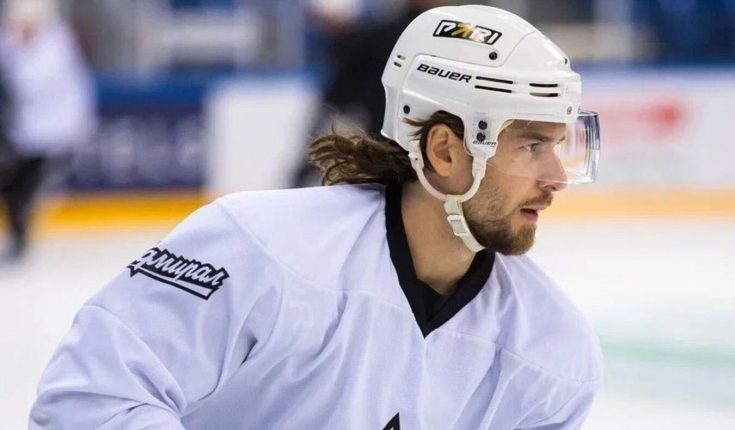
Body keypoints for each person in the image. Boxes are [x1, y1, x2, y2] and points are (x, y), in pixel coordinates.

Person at [30, 5, 603, 429]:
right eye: (531, 146)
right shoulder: (256, 249)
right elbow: (92, 401)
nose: (556, 175)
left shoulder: (552, 351)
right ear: (444, 151)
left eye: (559, 145)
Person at [0, 0, 95, 260]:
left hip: (51, 135)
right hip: (18, 134)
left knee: (23, 191)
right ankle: (18, 239)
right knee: (13, 189)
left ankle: (20, 240)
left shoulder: (56, 48)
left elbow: (33, 85)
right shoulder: (9, 42)